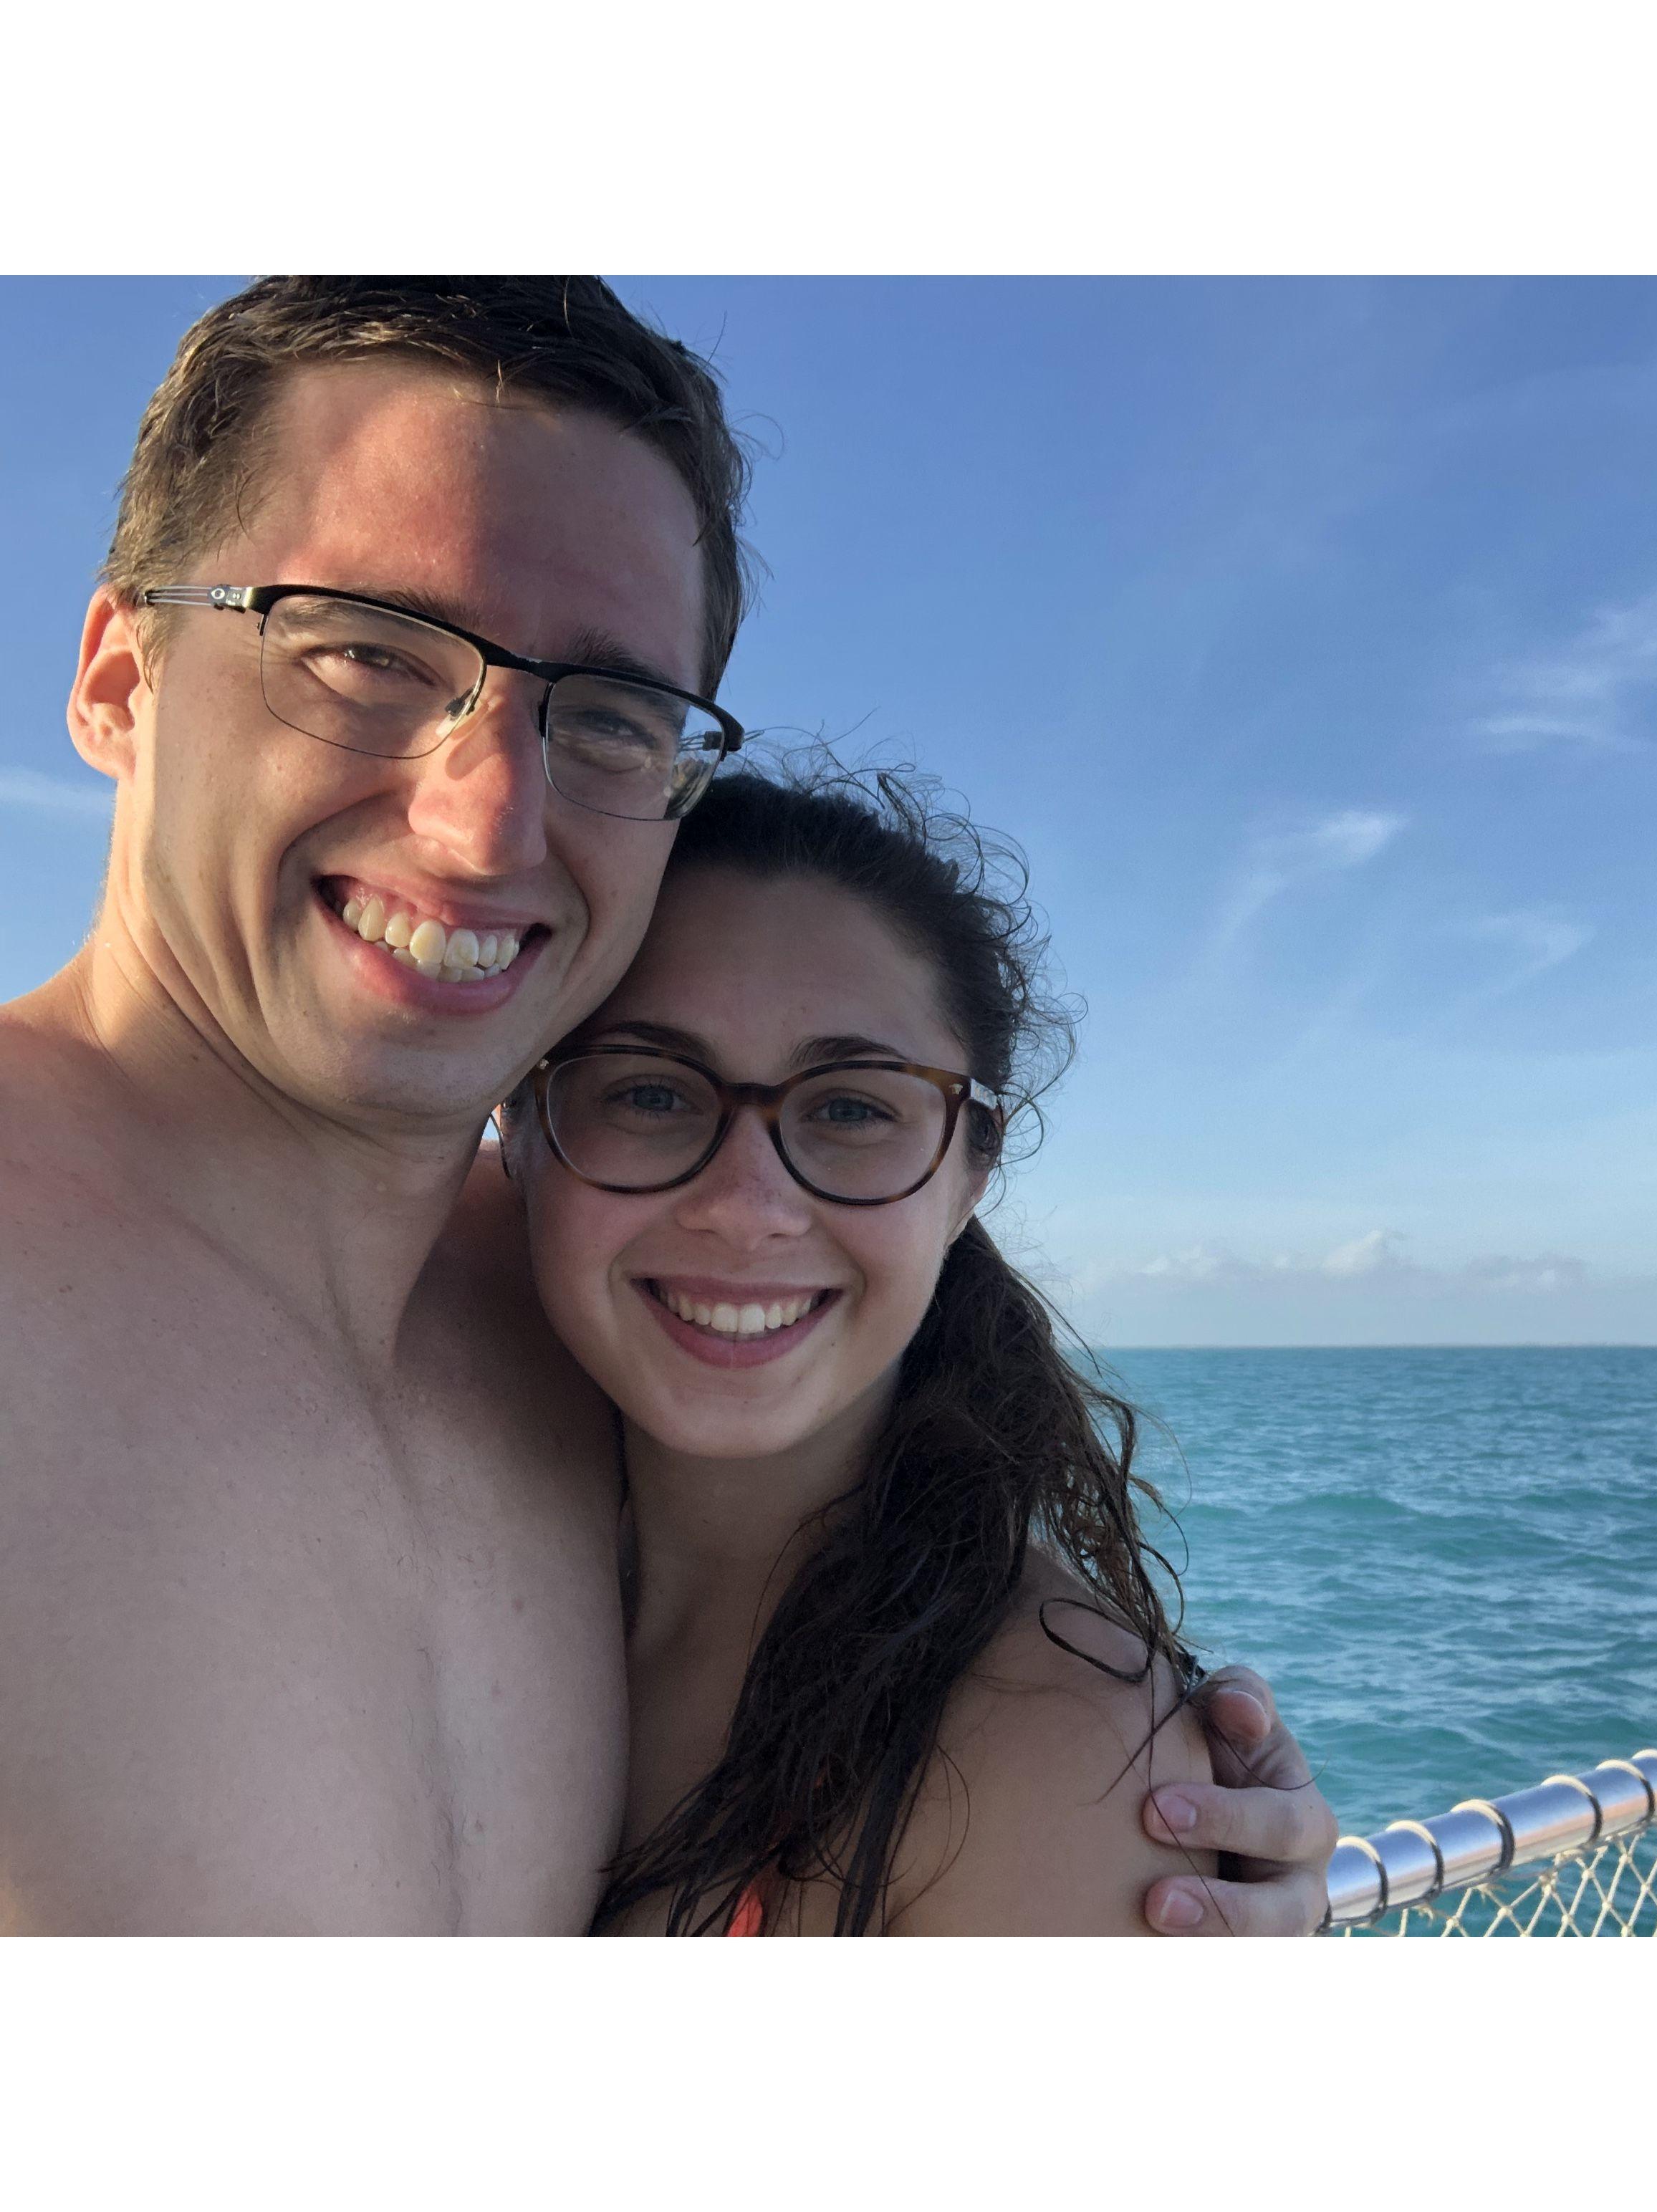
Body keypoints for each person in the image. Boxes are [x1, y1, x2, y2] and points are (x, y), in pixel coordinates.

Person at [0, 275, 1334, 1935]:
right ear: (120, 677)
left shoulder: (575, 1322)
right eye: (364, 653)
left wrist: (1126, 1816)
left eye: (611, 716)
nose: (489, 826)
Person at [509, 762, 1224, 1933]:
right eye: (649, 1092)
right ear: (521, 1125)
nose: (747, 1205)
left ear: (969, 1174)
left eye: (850, 1108)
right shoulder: (411, 1504)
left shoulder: (1051, 1746)